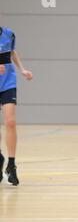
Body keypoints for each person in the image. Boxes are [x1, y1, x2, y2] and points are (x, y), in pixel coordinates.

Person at [0, 26, 33, 186]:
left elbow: (12, 52)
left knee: (10, 122)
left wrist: (22, 69)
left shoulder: (9, 34)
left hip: (7, 82)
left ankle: (11, 165)